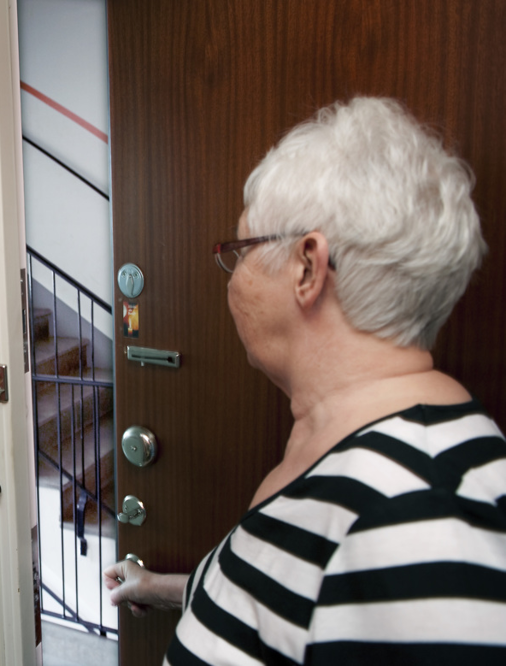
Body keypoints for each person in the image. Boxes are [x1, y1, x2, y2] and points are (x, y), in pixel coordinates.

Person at [103, 98, 506, 664]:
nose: (232, 279)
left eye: (239, 251)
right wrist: (162, 588)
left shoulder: (423, 518)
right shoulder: (344, 452)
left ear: (307, 268)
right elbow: (285, 599)